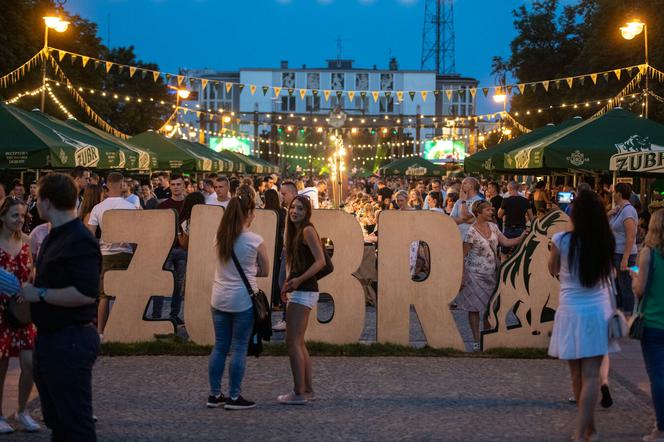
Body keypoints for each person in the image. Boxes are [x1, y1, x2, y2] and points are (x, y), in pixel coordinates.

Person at [21, 173, 101, 441]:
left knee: (75, 425)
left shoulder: (80, 239)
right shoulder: (54, 235)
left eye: (37, 198)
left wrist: (40, 293)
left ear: (47, 201)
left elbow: (85, 293)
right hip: (51, 338)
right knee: (59, 423)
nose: (35, 202)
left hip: (71, 340)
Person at [547, 191, 619, 442]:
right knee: (591, 376)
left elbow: (552, 268)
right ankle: (589, 429)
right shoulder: (606, 241)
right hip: (598, 311)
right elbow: (608, 273)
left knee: (577, 376)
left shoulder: (561, 240)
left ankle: (581, 432)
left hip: (569, 310)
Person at [207, 184, 268, 410]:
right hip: (242, 300)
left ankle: (214, 395)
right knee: (240, 347)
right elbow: (266, 271)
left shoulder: (219, 237)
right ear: (249, 214)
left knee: (220, 346)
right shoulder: (255, 240)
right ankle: (234, 396)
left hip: (219, 297)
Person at [455, 200, 527, 351]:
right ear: (479, 213)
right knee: (474, 308)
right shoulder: (471, 232)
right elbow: (462, 255)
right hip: (474, 275)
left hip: (492, 275)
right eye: (488, 210)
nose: (491, 212)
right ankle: (476, 341)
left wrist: (522, 237)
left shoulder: (494, 227)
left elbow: (506, 242)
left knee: (489, 309)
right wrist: (461, 277)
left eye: (491, 209)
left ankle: (486, 339)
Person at [279, 195, 326, 405]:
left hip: (305, 290)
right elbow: (298, 263)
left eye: (300, 208)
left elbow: (320, 262)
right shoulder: (296, 232)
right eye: (292, 207)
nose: (294, 211)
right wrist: (289, 282)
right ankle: (307, 389)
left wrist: (298, 280)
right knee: (298, 342)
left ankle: (298, 393)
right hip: (300, 289)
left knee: (292, 342)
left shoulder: (307, 230)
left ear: (307, 212)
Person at [0, 198, 40, 433]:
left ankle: (22, 410)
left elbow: (31, 271)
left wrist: (26, 286)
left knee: (30, 362)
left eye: (23, 216)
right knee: (2, 364)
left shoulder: (26, 242)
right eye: (15, 215)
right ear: (3, 216)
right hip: (2, 312)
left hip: (21, 311)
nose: (20, 220)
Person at [87, 172, 137, 336]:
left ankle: (101, 332)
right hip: (126, 252)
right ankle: (125, 331)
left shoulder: (98, 208)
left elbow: (90, 235)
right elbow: (138, 235)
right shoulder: (130, 207)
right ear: (122, 184)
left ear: (107, 185)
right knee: (126, 294)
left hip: (105, 254)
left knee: (104, 295)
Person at [632, 208, 664, 442]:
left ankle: (661, 428)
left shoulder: (648, 254)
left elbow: (640, 289)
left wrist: (634, 280)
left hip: (653, 323)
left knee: (658, 377)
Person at [156, 175, 187, 324]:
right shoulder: (163, 205)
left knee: (179, 284)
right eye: (173, 184)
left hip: (183, 249)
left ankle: (174, 315)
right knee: (162, 281)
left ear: (184, 186)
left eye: (178, 184)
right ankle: (156, 315)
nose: (175, 187)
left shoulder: (189, 205)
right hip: (165, 249)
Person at [273, 181, 299, 333]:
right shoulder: (289, 209)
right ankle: (287, 317)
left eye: (284, 194)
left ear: (292, 193)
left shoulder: (296, 209)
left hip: (290, 252)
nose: (281, 197)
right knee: (282, 283)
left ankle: (287, 319)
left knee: (285, 283)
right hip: (286, 251)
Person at [609, 182, 638, 314]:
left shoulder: (628, 211)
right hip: (618, 253)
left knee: (626, 288)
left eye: (614, 192)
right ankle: (620, 316)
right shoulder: (619, 210)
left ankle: (628, 317)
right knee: (619, 287)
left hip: (626, 255)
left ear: (619, 194)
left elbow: (631, 236)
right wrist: (609, 213)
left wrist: (625, 258)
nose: (613, 194)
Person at [498, 181, 533, 254]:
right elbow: (531, 218)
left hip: (508, 229)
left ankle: (505, 265)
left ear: (509, 188)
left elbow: (499, 215)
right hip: (521, 229)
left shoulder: (506, 200)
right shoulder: (525, 201)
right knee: (519, 253)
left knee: (504, 253)